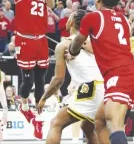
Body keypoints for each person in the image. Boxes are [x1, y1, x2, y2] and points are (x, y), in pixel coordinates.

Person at [67, 0, 134, 144]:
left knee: (114, 124)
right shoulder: (123, 19)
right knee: (99, 121)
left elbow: (78, 41)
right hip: (129, 70)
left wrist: (73, 52)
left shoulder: (93, 17)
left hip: (119, 73)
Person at [36, 10, 105, 144]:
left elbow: (59, 79)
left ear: (72, 21)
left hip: (90, 88)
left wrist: (44, 98)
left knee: (56, 123)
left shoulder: (64, 45)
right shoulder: (96, 41)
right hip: (105, 88)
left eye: (68, 18)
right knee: (87, 127)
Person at [14, 0, 55, 139]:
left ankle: (38, 119)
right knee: (27, 81)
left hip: (41, 41)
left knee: (41, 82)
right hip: (25, 40)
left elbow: (52, 4)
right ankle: (22, 105)